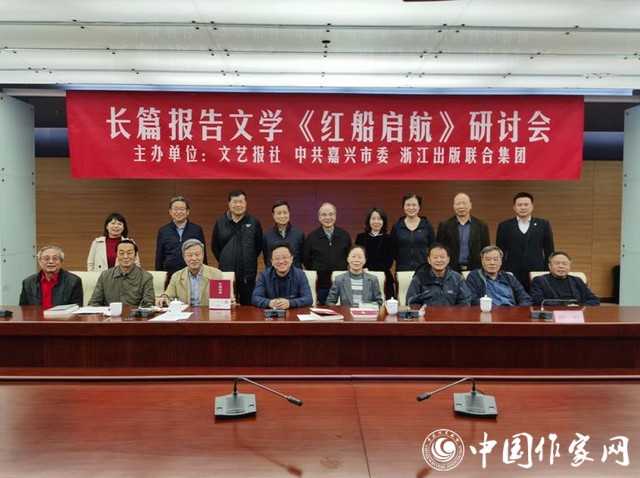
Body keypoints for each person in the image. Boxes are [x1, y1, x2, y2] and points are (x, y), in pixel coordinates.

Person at [212, 190, 263, 305]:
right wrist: (225, 259)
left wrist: (248, 258)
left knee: (248, 306)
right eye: (235, 202)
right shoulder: (220, 223)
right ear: (229, 204)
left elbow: (258, 247)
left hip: (248, 273)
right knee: (225, 304)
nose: (238, 205)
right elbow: (215, 247)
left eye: (241, 201)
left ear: (246, 203)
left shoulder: (254, 222)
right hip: (226, 272)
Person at [496, 192, 554, 290]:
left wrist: (545, 271)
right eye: (519, 205)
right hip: (512, 272)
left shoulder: (543, 225)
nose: (522, 207)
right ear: (514, 207)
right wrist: (504, 271)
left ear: (532, 206)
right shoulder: (504, 226)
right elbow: (500, 251)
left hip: (536, 271)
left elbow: (549, 250)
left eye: (526, 204)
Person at [302, 202, 352, 305]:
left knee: (342, 310)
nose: (328, 217)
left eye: (331, 214)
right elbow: (305, 258)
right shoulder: (312, 237)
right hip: (321, 285)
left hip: (341, 283)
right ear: (319, 217)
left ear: (335, 216)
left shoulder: (344, 235)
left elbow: (349, 257)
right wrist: (318, 268)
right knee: (322, 311)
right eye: (324, 214)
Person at [156, 239, 225, 307]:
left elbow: (222, 300)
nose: (194, 258)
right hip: (185, 313)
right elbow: (168, 295)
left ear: (203, 255)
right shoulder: (177, 276)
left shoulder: (215, 274)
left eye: (197, 254)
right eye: (189, 255)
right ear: (184, 257)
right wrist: (164, 297)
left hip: (207, 313)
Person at [89, 240, 155, 307]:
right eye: (121, 253)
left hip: (135, 313)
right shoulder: (105, 276)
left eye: (129, 253)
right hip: (109, 313)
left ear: (135, 255)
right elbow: (94, 302)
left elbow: (149, 303)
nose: (125, 256)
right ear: (117, 255)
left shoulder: (146, 277)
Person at [155, 196, 207, 279]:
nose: (179, 212)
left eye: (182, 209)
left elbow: (203, 254)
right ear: (170, 211)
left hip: (193, 273)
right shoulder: (163, 231)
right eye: (175, 209)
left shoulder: (197, 230)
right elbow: (159, 256)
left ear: (187, 211)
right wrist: (160, 276)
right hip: (171, 274)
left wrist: (204, 273)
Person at [436, 193, 490, 273]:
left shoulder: (481, 225)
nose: (461, 206)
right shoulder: (444, 225)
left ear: (470, 205)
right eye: (458, 203)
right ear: (453, 206)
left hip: (475, 269)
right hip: (451, 269)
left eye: (464, 203)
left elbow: (486, 250)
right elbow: (440, 248)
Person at [405, 243, 472, 306]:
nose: (439, 260)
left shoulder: (457, 278)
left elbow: (466, 300)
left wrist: (455, 313)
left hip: (452, 314)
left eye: (442, 257)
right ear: (429, 260)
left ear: (448, 260)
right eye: (435, 257)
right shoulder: (419, 278)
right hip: (427, 314)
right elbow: (411, 302)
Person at [465, 245, 532, 306]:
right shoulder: (474, 277)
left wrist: (517, 311)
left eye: (496, 259)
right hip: (488, 312)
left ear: (501, 261)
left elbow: (526, 299)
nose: (492, 263)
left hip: (511, 312)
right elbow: (471, 299)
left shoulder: (509, 277)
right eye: (488, 259)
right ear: (482, 261)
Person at [252, 243, 313, 309]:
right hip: (271, 313)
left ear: (291, 259)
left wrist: (290, 303)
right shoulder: (264, 276)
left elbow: (308, 299)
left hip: (293, 313)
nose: (281, 261)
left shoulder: (300, 275)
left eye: (285, 257)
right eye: (277, 258)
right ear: (272, 261)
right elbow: (255, 298)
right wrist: (269, 303)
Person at [530, 251, 600, 306]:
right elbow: (538, 301)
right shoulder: (540, 280)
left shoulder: (577, 280)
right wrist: (565, 306)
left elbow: (594, 300)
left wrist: (578, 306)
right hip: (552, 314)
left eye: (565, 264)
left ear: (569, 266)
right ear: (549, 266)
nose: (561, 266)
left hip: (577, 314)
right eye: (557, 263)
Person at [355, 206, 395, 300]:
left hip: (384, 278)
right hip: (363, 277)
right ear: (368, 221)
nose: (376, 222)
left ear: (383, 221)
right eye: (373, 219)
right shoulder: (360, 237)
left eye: (379, 219)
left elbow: (389, 262)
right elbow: (357, 257)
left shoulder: (389, 239)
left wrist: (369, 268)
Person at [391, 193, 435, 272]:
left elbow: (433, 247)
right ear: (403, 207)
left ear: (419, 207)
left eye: (414, 205)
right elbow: (393, 250)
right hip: (402, 270)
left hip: (423, 270)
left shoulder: (427, 225)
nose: (411, 208)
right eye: (408, 205)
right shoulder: (397, 226)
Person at [262, 200, 305, 269]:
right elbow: (266, 258)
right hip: (273, 274)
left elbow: (302, 258)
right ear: (273, 215)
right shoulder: (267, 236)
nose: (282, 216)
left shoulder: (299, 234)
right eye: (279, 213)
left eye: (285, 213)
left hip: (294, 274)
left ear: (289, 213)